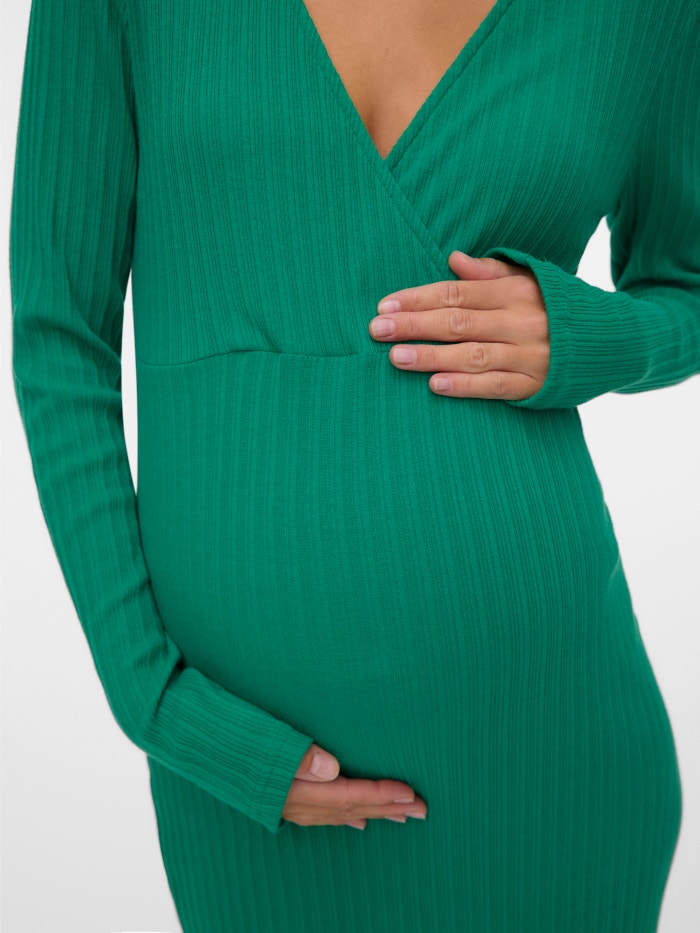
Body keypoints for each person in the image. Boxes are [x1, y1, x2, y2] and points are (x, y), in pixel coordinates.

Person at [10, 0, 698, 930]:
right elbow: (60, 328)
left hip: (552, 752)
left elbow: (687, 286)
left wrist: (585, 333)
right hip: (248, 766)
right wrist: (155, 701)